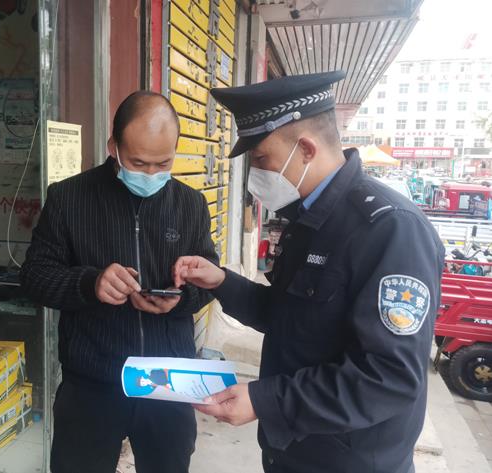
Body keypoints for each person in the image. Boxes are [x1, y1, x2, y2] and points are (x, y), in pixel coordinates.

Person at [173, 71, 446, 473]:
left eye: (261, 160)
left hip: (349, 462)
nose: (255, 175)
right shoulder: (308, 218)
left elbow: (389, 377)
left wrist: (266, 400)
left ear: (305, 149)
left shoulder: (390, 230)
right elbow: (289, 317)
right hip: (294, 452)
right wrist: (222, 282)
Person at [21, 91, 217, 473]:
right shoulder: (68, 198)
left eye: (163, 163)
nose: (151, 174)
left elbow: (208, 277)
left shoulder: (190, 204)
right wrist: (90, 284)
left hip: (167, 382)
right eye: (138, 162)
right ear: (113, 147)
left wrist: (183, 297)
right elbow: (34, 277)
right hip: (92, 381)